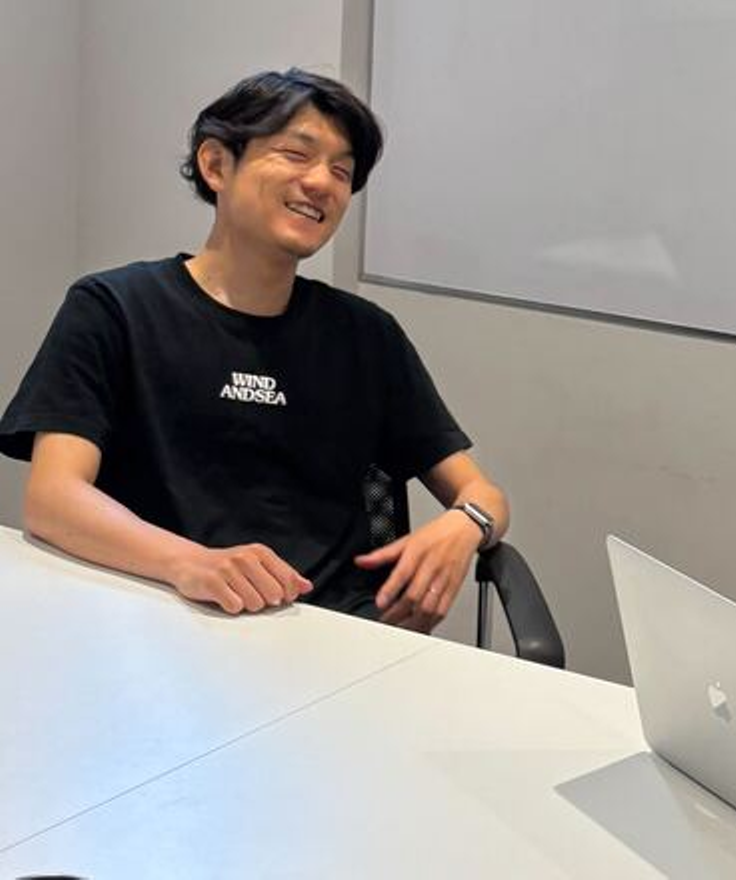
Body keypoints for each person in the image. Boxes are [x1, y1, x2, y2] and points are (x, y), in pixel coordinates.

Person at [0, 68, 508, 633]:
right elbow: (53, 498)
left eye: (342, 171)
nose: (322, 182)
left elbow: (481, 492)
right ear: (216, 164)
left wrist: (467, 522)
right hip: (158, 620)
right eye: (297, 154)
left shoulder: (366, 336)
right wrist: (191, 564)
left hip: (331, 634)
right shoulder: (115, 308)